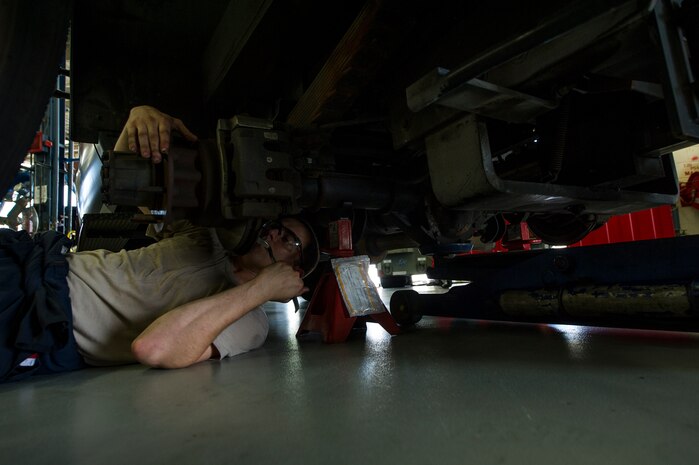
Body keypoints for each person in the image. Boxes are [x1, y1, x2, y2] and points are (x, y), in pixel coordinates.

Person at [1, 106, 320, 382]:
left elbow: (154, 347)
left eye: (290, 241)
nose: (275, 234)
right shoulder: (206, 237)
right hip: (31, 260)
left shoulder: (251, 322)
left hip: (40, 322)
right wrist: (138, 118)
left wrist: (262, 290)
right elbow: (128, 181)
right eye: (277, 227)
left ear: (292, 271)